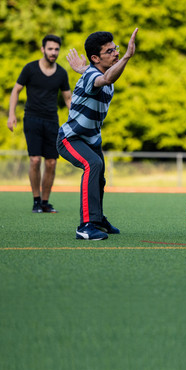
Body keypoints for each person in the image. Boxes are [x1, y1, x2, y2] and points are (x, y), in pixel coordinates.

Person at [57, 28, 138, 240]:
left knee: (99, 176)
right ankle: (85, 226)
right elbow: (105, 78)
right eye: (110, 51)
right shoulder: (97, 76)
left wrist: (83, 68)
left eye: (117, 49)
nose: (116, 54)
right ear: (95, 57)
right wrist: (128, 56)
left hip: (91, 139)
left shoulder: (93, 72)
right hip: (70, 138)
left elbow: (101, 75)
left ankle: (98, 218)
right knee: (92, 164)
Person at [7, 34, 72, 213]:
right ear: (43, 49)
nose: (53, 52)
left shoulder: (61, 73)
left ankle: (45, 202)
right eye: (50, 49)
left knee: (51, 162)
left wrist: (77, 119)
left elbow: (68, 98)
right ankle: (36, 200)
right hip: (32, 119)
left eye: (56, 49)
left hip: (52, 120)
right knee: (35, 160)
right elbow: (16, 90)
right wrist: (11, 114)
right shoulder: (30, 69)